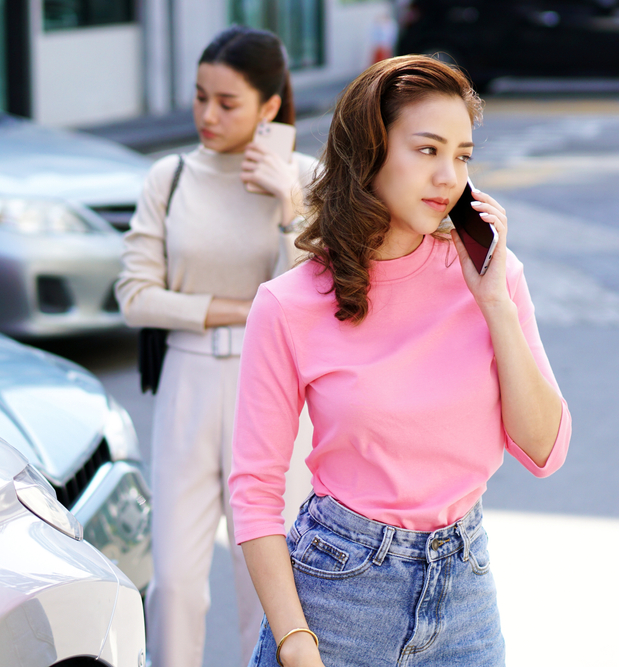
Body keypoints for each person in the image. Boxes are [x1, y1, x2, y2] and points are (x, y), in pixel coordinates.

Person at [228, 55, 573, 667]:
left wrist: (493, 300)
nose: (449, 177)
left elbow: (544, 450)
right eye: (427, 149)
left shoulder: (494, 277)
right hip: (338, 598)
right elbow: (255, 490)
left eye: (463, 155)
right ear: (371, 151)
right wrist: (294, 639)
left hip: (465, 593)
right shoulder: (288, 305)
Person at [116, 26, 318, 667]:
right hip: (188, 379)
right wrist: (241, 309)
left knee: (265, 577)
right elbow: (134, 295)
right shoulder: (169, 176)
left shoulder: (306, 178)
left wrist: (288, 201)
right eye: (200, 97)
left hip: (277, 389)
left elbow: (321, 291)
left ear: (269, 107)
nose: (206, 115)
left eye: (227, 103)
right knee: (174, 581)